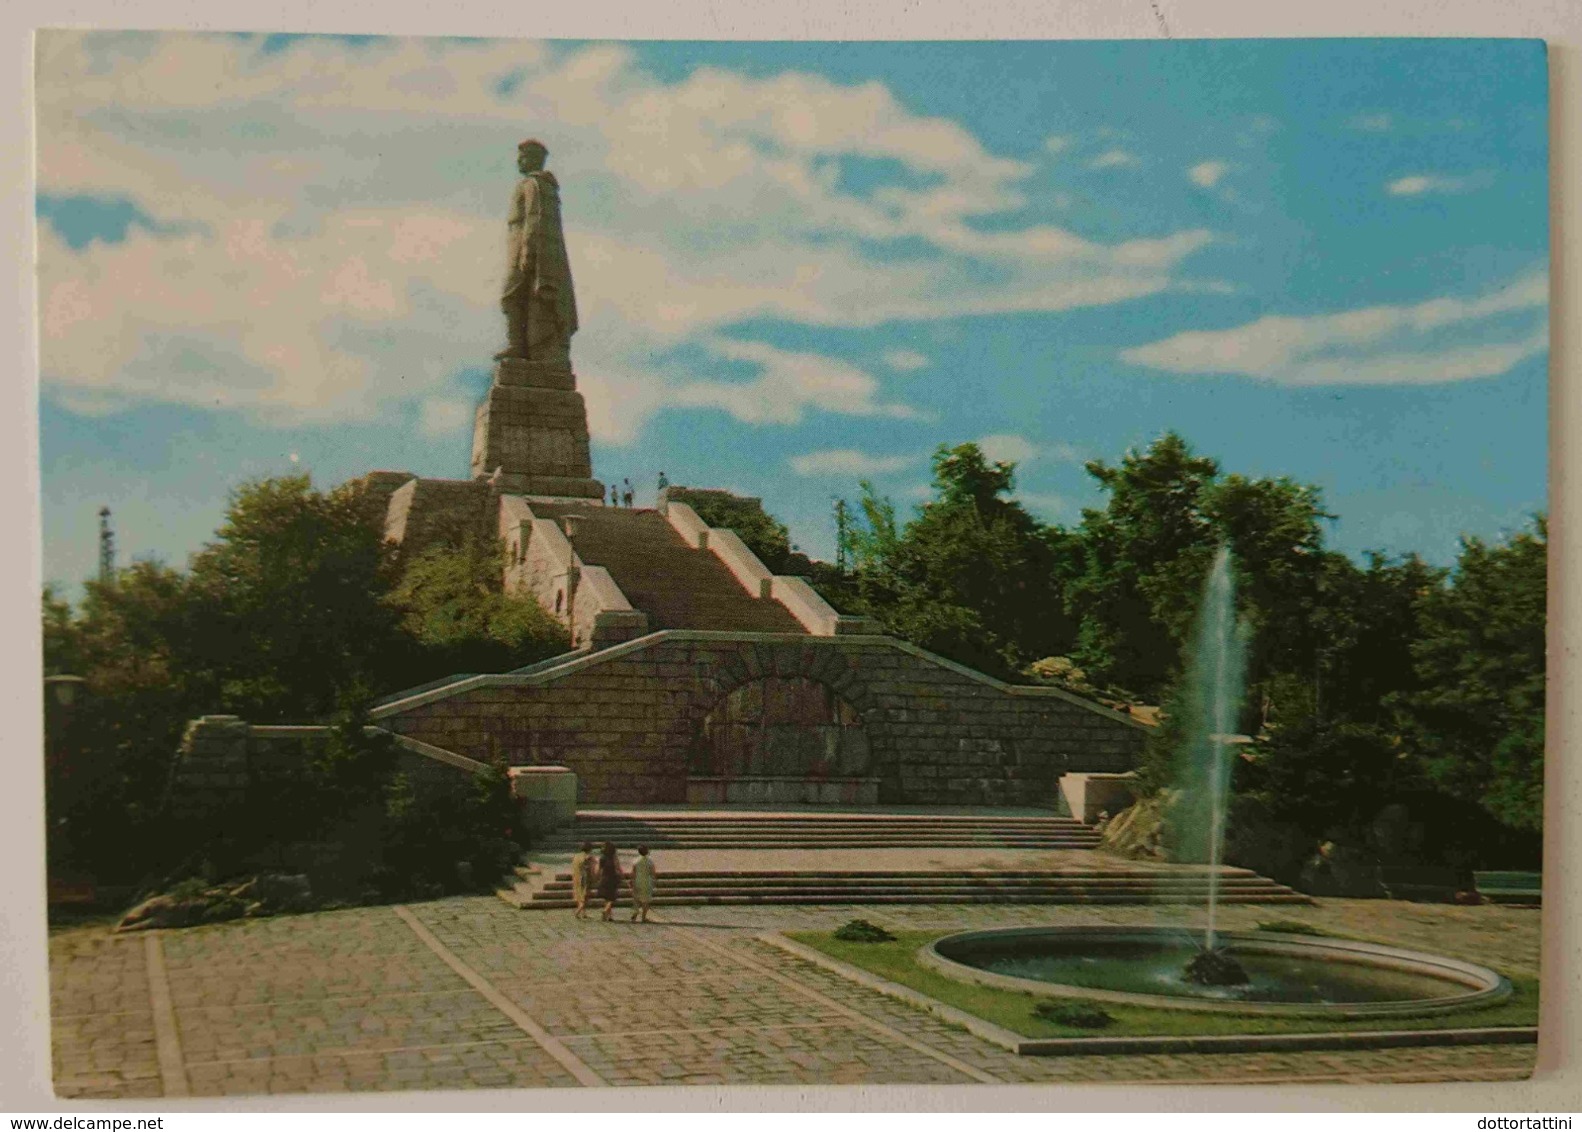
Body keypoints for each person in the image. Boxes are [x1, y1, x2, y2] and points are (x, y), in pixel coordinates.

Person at [496, 138, 577, 364]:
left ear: (533, 159)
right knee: (518, 296)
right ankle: (518, 345)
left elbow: (535, 218)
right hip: (517, 250)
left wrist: (528, 252)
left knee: (510, 295)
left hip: (524, 251)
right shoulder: (536, 184)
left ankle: (517, 344)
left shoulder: (532, 185)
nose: (519, 161)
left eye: (522, 157)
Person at [595, 841, 623, 922]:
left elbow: (598, 869)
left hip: (604, 878)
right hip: (613, 878)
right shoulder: (614, 858)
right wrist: (621, 875)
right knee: (611, 898)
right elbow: (618, 867)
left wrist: (596, 877)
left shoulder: (602, 858)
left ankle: (609, 916)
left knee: (607, 898)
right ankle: (605, 911)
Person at [630, 845, 657, 922]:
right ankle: (643, 917)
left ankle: (635, 912)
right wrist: (654, 880)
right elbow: (653, 872)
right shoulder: (650, 861)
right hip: (647, 881)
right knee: (646, 900)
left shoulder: (636, 860)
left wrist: (631, 880)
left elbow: (633, 872)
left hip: (638, 880)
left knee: (636, 898)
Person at [569, 841, 594, 920]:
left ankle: (584, 913)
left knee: (580, 895)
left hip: (576, 877)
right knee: (585, 896)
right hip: (583, 878)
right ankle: (578, 912)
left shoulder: (576, 856)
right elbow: (588, 868)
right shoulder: (587, 857)